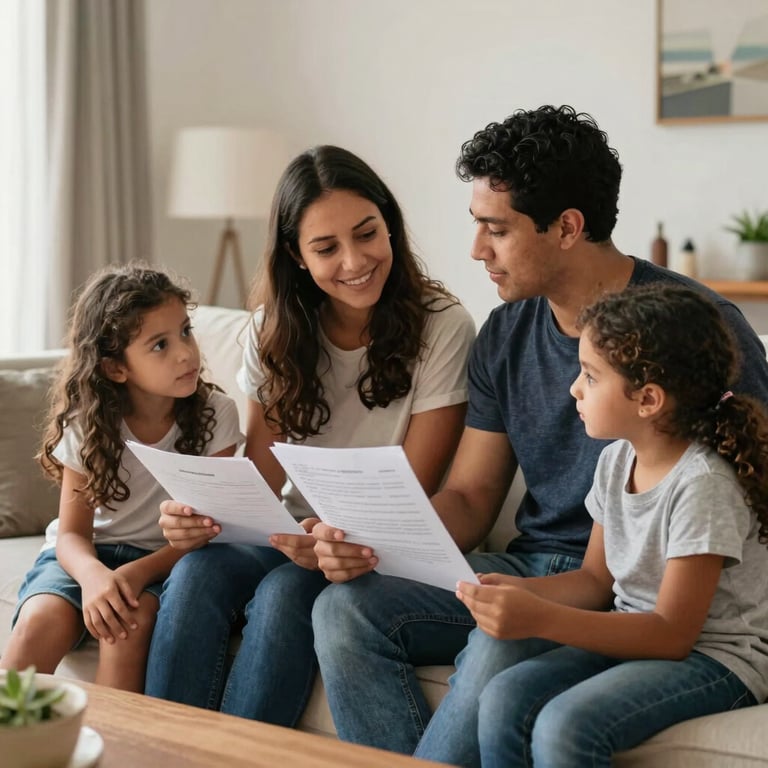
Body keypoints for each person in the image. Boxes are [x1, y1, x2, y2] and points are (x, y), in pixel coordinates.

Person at [308, 105, 768, 756]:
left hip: (644, 589)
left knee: (505, 650)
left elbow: (744, 496)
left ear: (566, 227)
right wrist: (372, 542)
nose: (476, 250)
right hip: (547, 567)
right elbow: (470, 498)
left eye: (495, 229)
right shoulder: (506, 332)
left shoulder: (694, 331)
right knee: (343, 608)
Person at [144, 145, 476, 723]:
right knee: (196, 570)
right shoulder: (271, 330)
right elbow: (263, 477)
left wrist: (317, 534)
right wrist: (201, 516)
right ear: (297, 257)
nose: (355, 260)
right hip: (290, 533)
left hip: (376, 543)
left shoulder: (443, 324)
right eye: (326, 248)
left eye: (367, 233)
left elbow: (415, 490)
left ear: (389, 226)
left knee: (281, 597)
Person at [440, 283, 768, 767]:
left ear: (648, 399)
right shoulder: (615, 462)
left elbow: (673, 634)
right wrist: (521, 591)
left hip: (716, 658)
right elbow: (595, 581)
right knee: (504, 694)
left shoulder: (703, 484)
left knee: (565, 726)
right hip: (638, 631)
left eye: (591, 376)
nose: (574, 387)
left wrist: (539, 618)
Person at [0, 264, 242, 692]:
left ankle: (112, 750)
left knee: (125, 626)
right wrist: (96, 578)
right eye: (160, 345)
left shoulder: (215, 417)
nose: (185, 353)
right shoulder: (88, 424)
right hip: (83, 559)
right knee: (40, 622)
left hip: (161, 563)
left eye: (185, 331)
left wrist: (133, 575)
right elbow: (72, 535)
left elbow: (206, 532)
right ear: (116, 368)